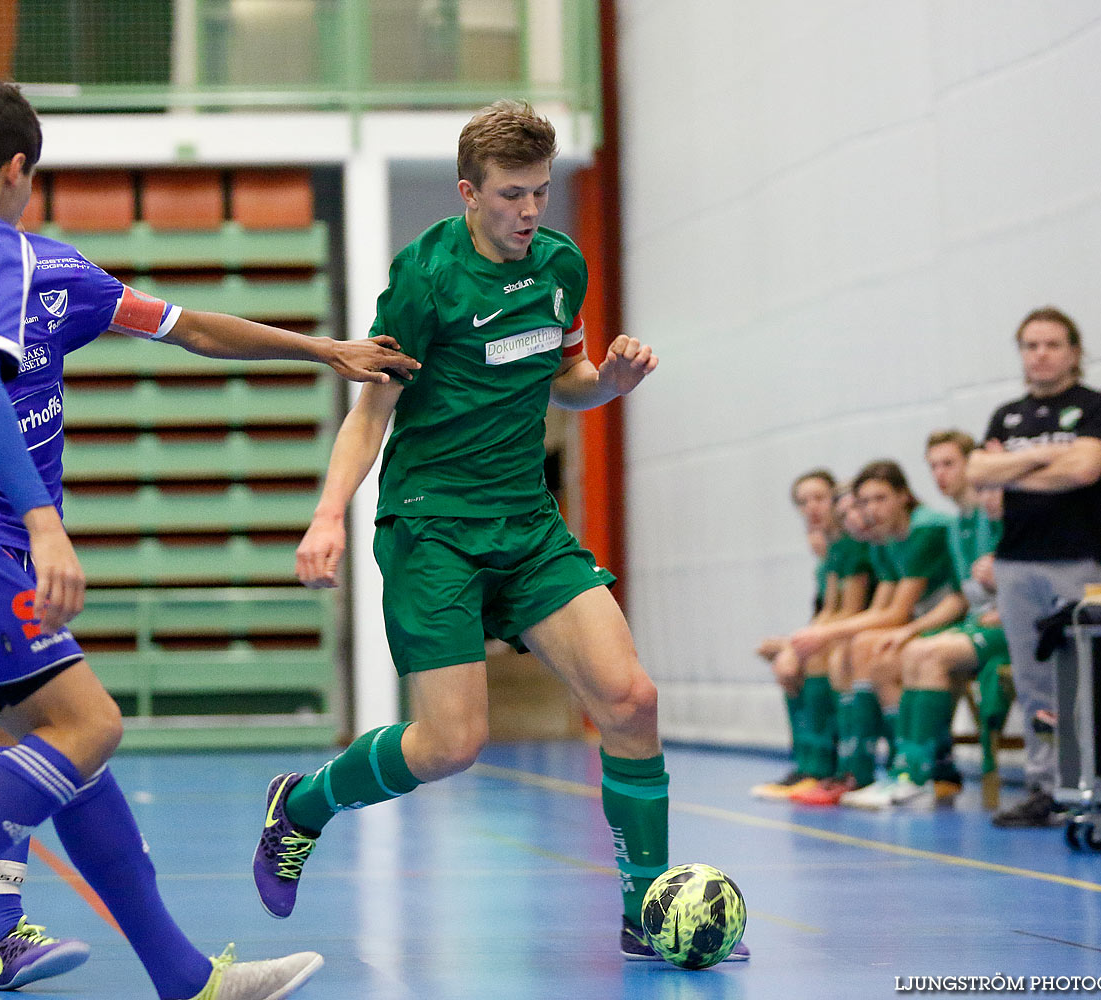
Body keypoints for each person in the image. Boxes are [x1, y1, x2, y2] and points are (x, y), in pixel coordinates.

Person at [0, 160, 418, 990]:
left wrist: (321, 350)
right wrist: (37, 523)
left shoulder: (54, 273)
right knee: (66, 741)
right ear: (9, 177)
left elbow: (189, 325)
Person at [250, 99, 746, 965]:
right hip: (433, 529)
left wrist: (612, 383)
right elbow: (372, 411)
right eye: (512, 195)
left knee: (631, 701)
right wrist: (329, 512)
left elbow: (569, 381)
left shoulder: (560, 266)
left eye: (541, 194)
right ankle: (304, 805)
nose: (528, 213)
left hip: (527, 523)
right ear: (468, 193)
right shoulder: (426, 277)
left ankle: (643, 912)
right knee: (451, 746)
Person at [967, 306, 1101, 828]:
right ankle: (1045, 786)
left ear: (1074, 352)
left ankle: (1091, 785)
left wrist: (1012, 469)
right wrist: (1045, 461)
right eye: (1031, 345)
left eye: (1052, 344)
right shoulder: (1006, 416)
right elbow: (977, 471)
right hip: (1015, 564)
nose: (1041, 354)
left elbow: (1084, 469)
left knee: (1079, 678)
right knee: (1033, 684)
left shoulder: (1096, 407)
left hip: (1074, 561)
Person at [848, 431, 1006, 808]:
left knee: (925, 655)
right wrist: (911, 630)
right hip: (975, 623)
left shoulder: (993, 514)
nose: (939, 474)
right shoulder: (957, 524)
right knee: (902, 651)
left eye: (949, 463)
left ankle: (923, 773)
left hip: (1009, 626)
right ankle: (903, 771)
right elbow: (959, 596)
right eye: (933, 465)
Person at [787, 461, 958, 807]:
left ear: (903, 496)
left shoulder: (924, 529)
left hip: (951, 622)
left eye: (873, 501)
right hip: (931, 623)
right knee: (855, 647)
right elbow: (882, 610)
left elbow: (896, 612)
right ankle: (860, 770)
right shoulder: (886, 542)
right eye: (859, 505)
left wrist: (826, 634)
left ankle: (918, 768)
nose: (861, 515)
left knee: (866, 648)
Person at [750, 473, 872, 799]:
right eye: (803, 502)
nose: (812, 508)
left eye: (819, 498)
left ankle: (824, 764)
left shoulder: (851, 545)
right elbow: (829, 609)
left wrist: (799, 645)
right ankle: (808, 762)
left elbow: (850, 610)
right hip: (848, 628)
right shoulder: (833, 550)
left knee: (814, 655)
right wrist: (792, 644)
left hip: (863, 632)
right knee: (786, 652)